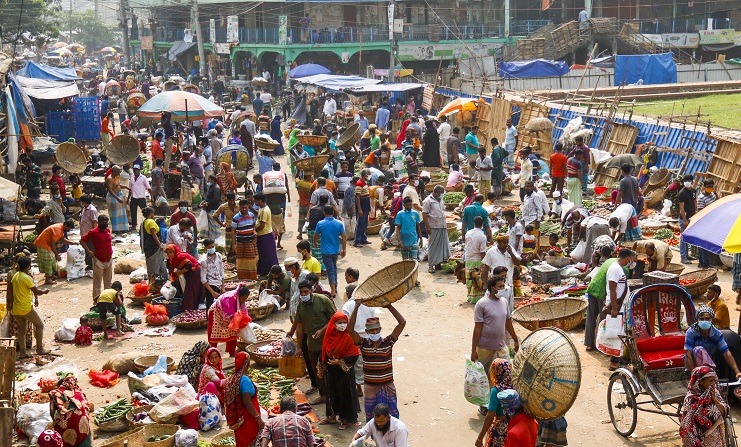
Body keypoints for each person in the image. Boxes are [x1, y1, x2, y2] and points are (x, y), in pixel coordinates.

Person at [292, 280, 337, 405]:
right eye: (301, 292)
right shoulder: (300, 306)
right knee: (318, 371)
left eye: (306, 291)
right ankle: (323, 395)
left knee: (332, 370)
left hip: (328, 343)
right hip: (312, 345)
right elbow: (300, 327)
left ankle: (335, 395)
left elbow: (335, 319)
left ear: (311, 290)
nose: (303, 294)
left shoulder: (323, 301)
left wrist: (322, 331)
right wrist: (299, 347)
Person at [472, 275, 519, 386]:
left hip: (501, 347)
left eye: (504, 285)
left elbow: (508, 323)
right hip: (485, 348)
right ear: (493, 288)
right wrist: (473, 350)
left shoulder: (504, 302)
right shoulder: (481, 304)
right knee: (485, 380)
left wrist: (516, 340)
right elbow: (477, 328)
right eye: (500, 286)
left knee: (507, 376)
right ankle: (485, 403)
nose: (503, 289)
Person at [318, 311, 359, 428]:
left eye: (344, 322)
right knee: (331, 393)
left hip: (345, 372)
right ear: (333, 324)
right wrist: (320, 367)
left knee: (344, 394)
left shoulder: (349, 337)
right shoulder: (329, 335)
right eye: (339, 323)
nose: (342, 325)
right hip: (331, 371)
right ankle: (331, 417)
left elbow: (354, 355)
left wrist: (340, 361)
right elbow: (323, 352)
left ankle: (345, 419)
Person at [684, 305, 741, 380]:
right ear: (697, 320)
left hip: (709, 364)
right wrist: (694, 376)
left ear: (712, 320)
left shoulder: (716, 334)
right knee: (699, 350)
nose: (704, 321)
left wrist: (737, 372)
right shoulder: (691, 332)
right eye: (701, 319)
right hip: (692, 364)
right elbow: (688, 355)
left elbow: (726, 353)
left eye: (707, 319)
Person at [11, 256, 50, 358]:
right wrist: (45, 291)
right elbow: (37, 291)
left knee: (21, 330)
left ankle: (23, 352)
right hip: (26, 308)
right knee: (40, 325)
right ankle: (40, 348)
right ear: (28, 266)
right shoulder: (26, 278)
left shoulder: (15, 276)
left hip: (16, 308)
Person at [680, 366, 728, 447]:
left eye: (714, 380)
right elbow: (687, 424)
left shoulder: (714, 393)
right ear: (700, 381)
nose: (713, 383)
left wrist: (714, 399)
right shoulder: (691, 399)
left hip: (715, 437)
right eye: (710, 381)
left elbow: (724, 412)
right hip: (698, 439)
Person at [476, 358, 513, 446]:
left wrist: (479, 438)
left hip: (500, 428)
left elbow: (490, 416)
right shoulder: (515, 385)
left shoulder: (496, 390)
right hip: (513, 425)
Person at [49, 376, 93, 447]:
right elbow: (86, 406)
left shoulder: (56, 393)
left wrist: (55, 421)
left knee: (63, 432)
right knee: (84, 432)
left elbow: (51, 411)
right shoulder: (78, 390)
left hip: (69, 423)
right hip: (83, 420)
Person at [314, 206, 347, 298]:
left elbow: (316, 235)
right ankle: (335, 286)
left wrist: (315, 243)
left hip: (325, 251)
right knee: (334, 268)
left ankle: (333, 290)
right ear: (333, 213)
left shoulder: (320, 223)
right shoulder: (339, 223)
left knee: (330, 270)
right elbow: (344, 236)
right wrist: (344, 249)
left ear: (324, 213)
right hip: (335, 250)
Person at [209, 286, 252, 357]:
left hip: (229, 315)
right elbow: (228, 316)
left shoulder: (239, 301)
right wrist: (237, 320)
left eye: (246, 299)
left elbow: (240, 314)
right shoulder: (228, 299)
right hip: (217, 313)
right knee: (214, 334)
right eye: (243, 298)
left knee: (233, 332)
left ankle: (232, 352)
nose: (244, 301)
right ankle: (212, 353)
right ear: (239, 296)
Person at [81, 215, 113, 300]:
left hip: (109, 259)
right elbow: (82, 241)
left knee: (108, 283)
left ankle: (108, 300)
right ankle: (96, 302)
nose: (105, 224)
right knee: (97, 284)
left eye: (106, 222)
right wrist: (89, 252)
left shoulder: (108, 231)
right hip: (98, 260)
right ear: (98, 222)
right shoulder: (93, 232)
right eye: (103, 222)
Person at [35, 220, 76, 285]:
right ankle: (48, 279)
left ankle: (50, 276)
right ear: (66, 226)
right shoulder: (58, 229)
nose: (69, 230)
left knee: (52, 260)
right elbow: (52, 243)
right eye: (69, 228)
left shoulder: (61, 228)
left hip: (45, 244)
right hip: (43, 243)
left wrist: (72, 243)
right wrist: (57, 255)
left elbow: (62, 239)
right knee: (49, 261)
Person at [165, 244, 204, 311]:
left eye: (171, 252)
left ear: (175, 251)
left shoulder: (179, 256)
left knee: (190, 291)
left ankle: (189, 309)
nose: (169, 255)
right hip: (192, 272)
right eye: (168, 253)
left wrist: (180, 272)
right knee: (193, 290)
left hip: (195, 271)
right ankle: (195, 307)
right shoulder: (174, 259)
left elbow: (190, 265)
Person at [423, 185, 451, 273]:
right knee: (433, 246)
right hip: (434, 226)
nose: (442, 195)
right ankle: (431, 265)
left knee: (441, 246)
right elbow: (424, 214)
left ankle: (438, 263)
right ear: (436, 192)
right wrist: (427, 226)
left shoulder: (440, 200)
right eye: (441, 193)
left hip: (442, 226)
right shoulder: (428, 201)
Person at [233, 197, 259, 280]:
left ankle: (251, 278)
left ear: (248, 206)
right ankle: (242, 278)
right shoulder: (236, 218)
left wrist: (254, 231)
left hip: (250, 242)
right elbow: (233, 232)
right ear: (239, 207)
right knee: (241, 260)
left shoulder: (252, 215)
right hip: (240, 242)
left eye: (245, 207)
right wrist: (234, 244)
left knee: (252, 260)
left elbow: (253, 226)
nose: (244, 209)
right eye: (242, 207)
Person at [140, 207, 168, 283]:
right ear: (151, 214)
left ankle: (161, 281)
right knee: (155, 267)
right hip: (154, 248)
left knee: (157, 264)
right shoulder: (151, 222)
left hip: (148, 248)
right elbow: (153, 234)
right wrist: (160, 245)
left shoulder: (144, 222)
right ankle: (155, 283)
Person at [254, 194, 280, 276]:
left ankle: (268, 272)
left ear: (260, 201)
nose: (255, 202)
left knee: (267, 255)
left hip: (265, 235)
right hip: (265, 235)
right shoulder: (263, 208)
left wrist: (254, 231)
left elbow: (262, 226)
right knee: (265, 254)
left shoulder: (264, 210)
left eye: (256, 201)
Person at [466, 216, 489, 304]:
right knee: (477, 280)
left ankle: (470, 297)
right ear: (482, 224)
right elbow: (482, 252)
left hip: (469, 259)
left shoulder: (468, 233)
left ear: (474, 223)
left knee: (469, 279)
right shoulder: (482, 236)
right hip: (477, 260)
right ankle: (477, 299)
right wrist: (485, 263)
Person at [676, 174, 697, 264]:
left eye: (688, 181)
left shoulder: (693, 190)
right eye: (685, 181)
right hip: (685, 219)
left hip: (692, 217)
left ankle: (687, 255)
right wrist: (684, 220)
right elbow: (681, 207)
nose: (687, 183)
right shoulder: (682, 193)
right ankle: (683, 257)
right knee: (683, 238)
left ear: (692, 181)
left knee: (687, 237)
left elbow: (694, 202)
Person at [395, 196, 423, 263]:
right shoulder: (400, 214)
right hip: (404, 242)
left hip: (414, 240)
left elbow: (418, 227)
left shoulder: (415, 213)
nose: (409, 206)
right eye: (407, 205)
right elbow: (398, 228)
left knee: (414, 260)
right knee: (406, 261)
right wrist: (399, 240)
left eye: (410, 205)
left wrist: (421, 238)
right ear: (403, 205)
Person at [696, 179, 717, 267]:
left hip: (712, 220)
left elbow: (716, 203)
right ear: (704, 187)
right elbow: (700, 211)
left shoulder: (712, 194)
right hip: (705, 221)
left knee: (704, 243)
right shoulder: (701, 197)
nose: (710, 188)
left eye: (712, 187)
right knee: (705, 243)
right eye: (708, 187)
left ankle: (701, 261)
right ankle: (705, 263)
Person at [201, 238, 224, 309]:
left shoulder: (219, 256)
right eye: (209, 247)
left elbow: (221, 272)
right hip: (211, 286)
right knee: (210, 308)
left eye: (213, 247)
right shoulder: (204, 261)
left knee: (220, 307)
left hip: (219, 284)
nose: (212, 249)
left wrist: (223, 287)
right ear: (205, 248)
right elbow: (203, 279)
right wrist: (212, 292)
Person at [105, 165, 128, 233]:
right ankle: (116, 229)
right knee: (115, 214)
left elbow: (118, 185)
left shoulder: (116, 178)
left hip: (119, 196)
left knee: (121, 213)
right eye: (118, 172)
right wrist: (117, 198)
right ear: (114, 171)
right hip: (113, 198)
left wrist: (126, 187)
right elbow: (110, 190)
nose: (119, 173)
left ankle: (122, 228)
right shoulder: (109, 179)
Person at [78, 195, 98, 273]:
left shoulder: (92, 210)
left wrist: (93, 234)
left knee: (91, 249)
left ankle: (93, 265)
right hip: (84, 233)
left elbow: (95, 222)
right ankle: (89, 264)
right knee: (86, 249)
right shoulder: (84, 208)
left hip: (89, 234)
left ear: (85, 202)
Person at [128, 163, 150, 230]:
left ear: (139, 170)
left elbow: (148, 187)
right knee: (133, 212)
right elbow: (130, 188)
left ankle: (148, 224)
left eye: (137, 170)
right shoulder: (132, 177)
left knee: (145, 212)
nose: (135, 171)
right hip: (133, 198)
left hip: (141, 198)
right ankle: (134, 225)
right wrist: (128, 197)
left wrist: (152, 197)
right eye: (134, 170)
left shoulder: (143, 178)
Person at [354, 170, 372, 247]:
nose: (370, 176)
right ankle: (357, 241)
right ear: (365, 175)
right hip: (362, 206)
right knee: (360, 224)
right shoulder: (359, 183)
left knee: (364, 223)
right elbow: (357, 197)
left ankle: (363, 239)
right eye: (369, 174)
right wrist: (359, 209)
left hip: (366, 206)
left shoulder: (364, 183)